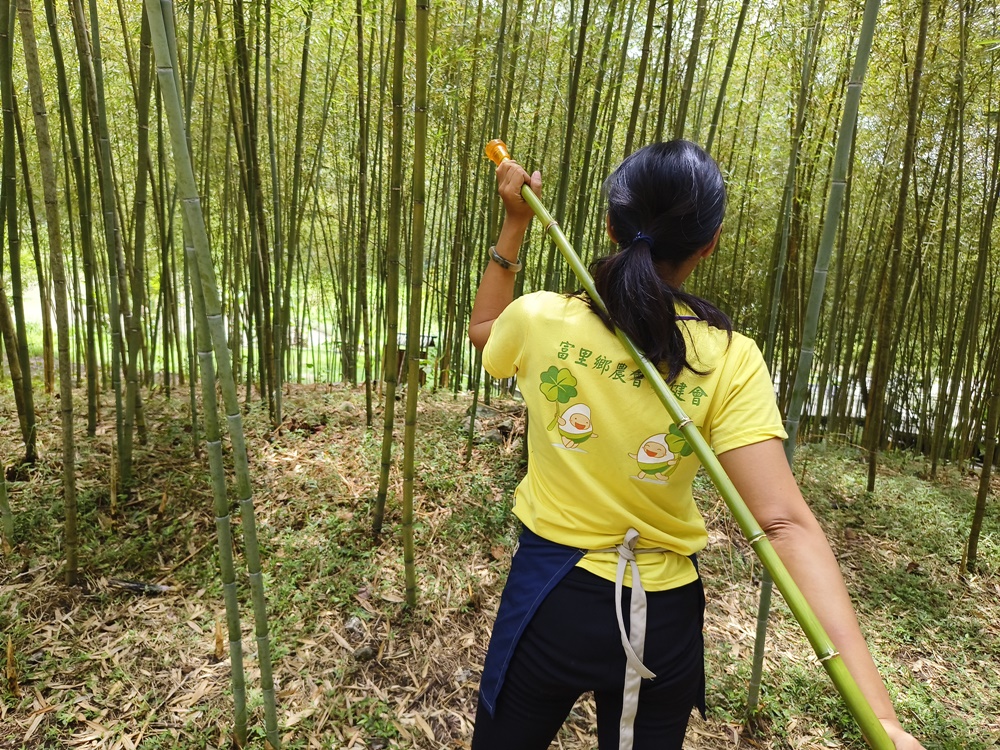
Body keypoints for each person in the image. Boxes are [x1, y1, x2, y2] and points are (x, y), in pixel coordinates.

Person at [467, 141, 925, 750]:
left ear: (610, 224)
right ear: (708, 242)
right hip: (661, 614)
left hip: (548, 597)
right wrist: (883, 719)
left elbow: (481, 331)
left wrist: (515, 221)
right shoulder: (730, 357)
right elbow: (784, 523)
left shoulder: (541, 319)